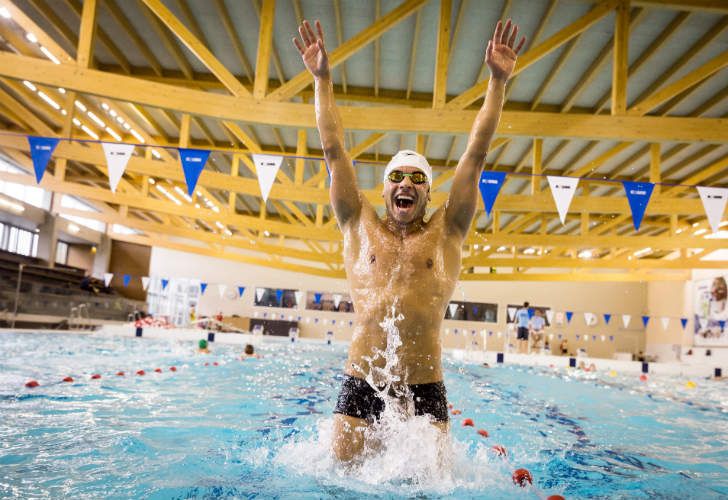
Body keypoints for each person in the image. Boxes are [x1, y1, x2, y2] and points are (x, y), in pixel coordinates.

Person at [293, 18, 525, 462]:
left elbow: (475, 155)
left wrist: (497, 82)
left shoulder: (447, 231)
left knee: (431, 489)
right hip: (362, 381)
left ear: (427, 191)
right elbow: (333, 148)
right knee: (339, 483)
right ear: (383, 190)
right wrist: (322, 79)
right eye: (396, 177)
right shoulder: (357, 223)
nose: (406, 184)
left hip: (425, 386)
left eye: (417, 179)